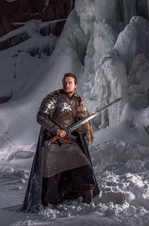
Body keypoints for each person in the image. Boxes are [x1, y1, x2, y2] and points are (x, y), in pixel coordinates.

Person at [21, 73, 99, 212]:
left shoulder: (78, 100)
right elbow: (41, 117)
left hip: (70, 142)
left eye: (70, 82)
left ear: (75, 85)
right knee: (51, 174)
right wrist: (56, 130)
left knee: (84, 166)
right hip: (53, 143)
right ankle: (50, 202)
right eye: (65, 82)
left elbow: (81, 120)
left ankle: (86, 196)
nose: (66, 85)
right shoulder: (53, 98)